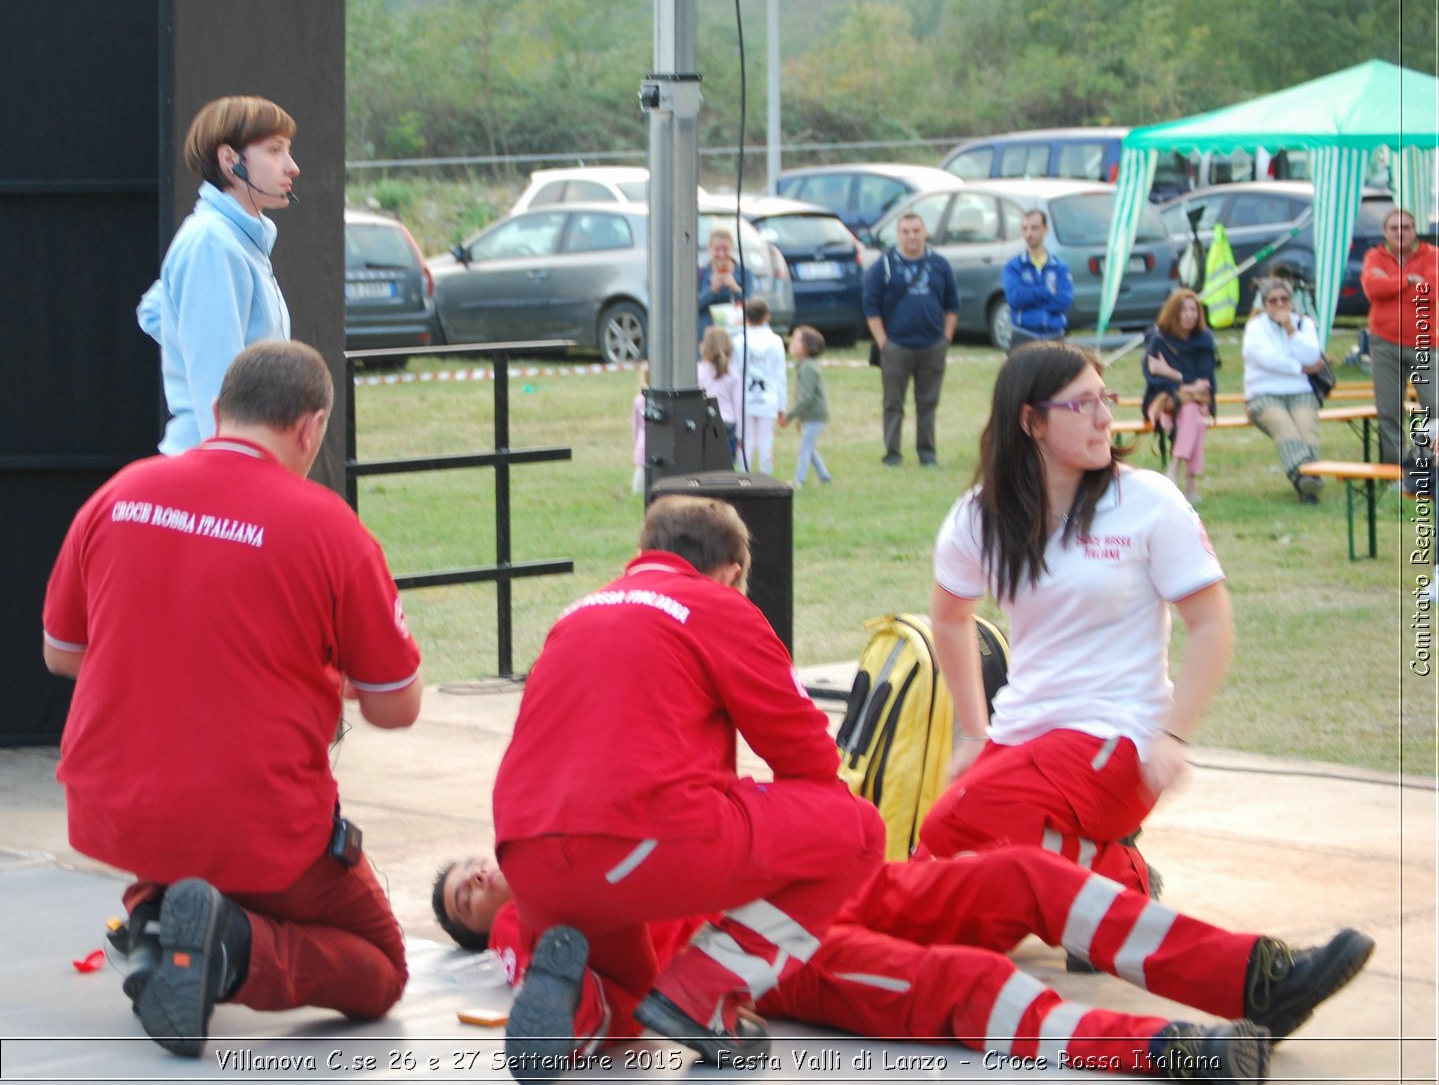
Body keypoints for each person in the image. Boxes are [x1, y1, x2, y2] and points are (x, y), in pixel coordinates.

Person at [41, 341, 423, 1058]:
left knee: (186, 857)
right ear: (311, 429)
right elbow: (395, 706)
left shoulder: (119, 494)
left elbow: (62, 652)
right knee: (380, 970)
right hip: (259, 826)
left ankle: (157, 925)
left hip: (114, 811)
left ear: (216, 412)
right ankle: (233, 951)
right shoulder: (329, 528)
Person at [489, 496, 884, 1075]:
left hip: (527, 864)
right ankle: (704, 992)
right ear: (730, 573)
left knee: (634, 999)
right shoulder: (718, 605)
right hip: (638, 839)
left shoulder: (576, 612)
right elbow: (810, 760)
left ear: (643, 553)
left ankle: (583, 1010)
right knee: (858, 828)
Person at [435, 845, 1375, 1084]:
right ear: (480, 929)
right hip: (768, 953)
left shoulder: (555, 836)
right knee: (960, 991)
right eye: (459, 901)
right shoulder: (530, 922)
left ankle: (1254, 979)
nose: (472, 881)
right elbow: (547, 987)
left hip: (822, 881)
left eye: (463, 870)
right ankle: (1172, 1050)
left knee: (1026, 876)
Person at [918, 341, 1234, 900]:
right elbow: (949, 618)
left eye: (1105, 399)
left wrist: (1173, 736)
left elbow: (1211, 623)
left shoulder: (1149, 501)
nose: (1105, 417)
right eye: (1083, 404)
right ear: (1031, 422)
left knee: (967, 816)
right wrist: (972, 731)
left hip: (1119, 737)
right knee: (937, 865)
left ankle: (1116, 881)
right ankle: (1103, 881)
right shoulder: (979, 515)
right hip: (1024, 733)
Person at [136, 96, 300, 455]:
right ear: (230, 161)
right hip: (222, 468)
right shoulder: (212, 243)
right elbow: (219, 384)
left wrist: (185, 336)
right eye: (274, 150)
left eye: (287, 150)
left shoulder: (230, 239)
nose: (292, 167)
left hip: (240, 460)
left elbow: (153, 311)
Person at [863, 211, 959, 467]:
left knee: (928, 403)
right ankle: (892, 454)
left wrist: (945, 340)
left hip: (932, 346)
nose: (911, 236)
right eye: (906, 231)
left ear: (924, 232)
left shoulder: (940, 264)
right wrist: (884, 343)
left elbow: (952, 306)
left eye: (916, 230)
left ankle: (927, 453)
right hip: (897, 347)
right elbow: (871, 307)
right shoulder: (884, 266)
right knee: (893, 404)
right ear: (898, 235)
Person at [1361, 208, 1439, 465]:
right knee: (1389, 410)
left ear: (1414, 230)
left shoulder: (1432, 255)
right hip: (1384, 342)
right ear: (1385, 232)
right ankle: (1393, 470)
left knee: (1433, 408)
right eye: (1394, 228)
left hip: (1424, 342)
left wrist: (1391, 284)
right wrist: (1407, 280)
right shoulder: (1375, 256)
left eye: (1406, 227)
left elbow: (1430, 292)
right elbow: (1372, 289)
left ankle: (1428, 463)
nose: (1400, 232)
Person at [1242, 277, 1327, 504]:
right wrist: (1299, 368)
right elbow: (1265, 358)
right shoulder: (1255, 327)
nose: (1279, 304)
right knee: (1285, 429)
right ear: (1265, 303)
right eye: (1273, 300)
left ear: (1291, 300)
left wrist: (1290, 328)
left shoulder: (1303, 324)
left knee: (1307, 431)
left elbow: (1312, 355)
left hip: (1301, 392)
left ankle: (1307, 485)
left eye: (1284, 299)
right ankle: (1307, 479)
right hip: (1263, 394)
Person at [1142, 289, 1218, 501]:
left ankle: (1174, 469)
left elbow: (1205, 381)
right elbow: (1154, 378)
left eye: (1194, 310)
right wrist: (1188, 386)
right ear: (1174, 312)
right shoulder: (1159, 340)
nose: (1190, 315)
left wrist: (1173, 373)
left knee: (1192, 413)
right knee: (1193, 416)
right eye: (1184, 310)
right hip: (1162, 403)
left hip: (1195, 404)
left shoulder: (1204, 340)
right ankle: (1190, 485)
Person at [1003, 209, 1074, 345]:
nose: (1029, 233)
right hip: (1024, 335)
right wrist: (1046, 291)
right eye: (1025, 229)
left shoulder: (1060, 267)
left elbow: (1064, 300)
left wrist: (1031, 301)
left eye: (1034, 228)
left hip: (1055, 335)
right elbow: (1015, 299)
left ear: (1045, 229)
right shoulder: (1013, 266)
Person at [736, 297, 787, 475]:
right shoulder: (776, 341)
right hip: (769, 397)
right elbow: (780, 375)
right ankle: (766, 474)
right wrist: (782, 405)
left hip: (745, 397)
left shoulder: (739, 342)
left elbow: (736, 372)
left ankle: (744, 475)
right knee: (766, 440)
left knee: (746, 440)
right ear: (767, 316)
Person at [779, 325, 831, 487]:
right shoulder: (804, 365)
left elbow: (807, 398)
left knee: (804, 448)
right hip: (811, 414)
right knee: (809, 447)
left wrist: (790, 416)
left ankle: (798, 481)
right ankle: (824, 476)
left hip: (815, 414)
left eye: (797, 339)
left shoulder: (808, 367)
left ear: (808, 346)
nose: (792, 342)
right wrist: (801, 419)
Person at [696, 227, 755, 339]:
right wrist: (712, 291)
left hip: (735, 335)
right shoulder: (701, 273)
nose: (721, 254)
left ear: (731, 249)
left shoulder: (743, 273)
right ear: (710, 249)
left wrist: (735, 288)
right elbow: (692, 306)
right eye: (717, 250)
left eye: (725, 249)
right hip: (707, 337)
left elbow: (751, 307)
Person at [697, 326, 743, 465]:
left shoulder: (698, 371)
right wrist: (741, 435)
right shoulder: (733, 375)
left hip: (704, 422)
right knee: (726, 468)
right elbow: (738, 406)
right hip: (728, 423)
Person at [631, 362, 649, 494]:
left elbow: (636, 426)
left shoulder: (639, 400)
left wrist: (636, 442)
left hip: (643, 441)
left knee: (641, 470)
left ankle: (636, 492)